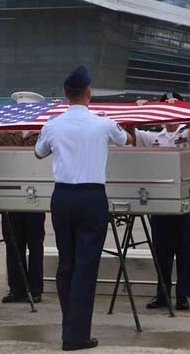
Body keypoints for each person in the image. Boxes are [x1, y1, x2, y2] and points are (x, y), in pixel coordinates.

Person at [35, 66, 133, 351]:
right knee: (86, 266)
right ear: (89, 93)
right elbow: (127, 140)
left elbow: (39, 152)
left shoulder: (53, 124)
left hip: (63, 196)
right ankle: (76, 334)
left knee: (67, 263)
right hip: (92, 197)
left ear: (65, 94)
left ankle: (70, 326)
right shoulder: (103, 123)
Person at [127, 92, 190, 311]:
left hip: (184, 202)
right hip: (160, 201)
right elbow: (131, 132)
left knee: (185, 249)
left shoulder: (187, 132)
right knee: (161, 250)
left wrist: (182, 108)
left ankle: (182, 295)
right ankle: (162, 293)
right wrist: (138, 110)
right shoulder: (154, 137)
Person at [0, 91, 46, 304]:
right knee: (13, 243)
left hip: (35, 197)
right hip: (10, 194)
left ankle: (35, 289)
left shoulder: (43, 134)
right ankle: (16, 288)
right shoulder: (7, 132)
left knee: (35, 243)